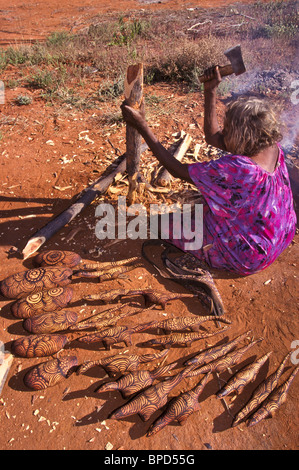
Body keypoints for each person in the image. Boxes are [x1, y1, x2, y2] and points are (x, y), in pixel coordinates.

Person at [121, 66, 297, 276]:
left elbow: (177, 170)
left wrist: (142, 126)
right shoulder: (271, 147)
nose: (224, 132)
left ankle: (213, 256)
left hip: (247, 255)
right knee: (201, 211)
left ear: (243, 135)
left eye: (229, 128)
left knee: (158, 223)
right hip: (277, 237)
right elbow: (213, 137)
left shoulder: (239, 169)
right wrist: (210, 90)